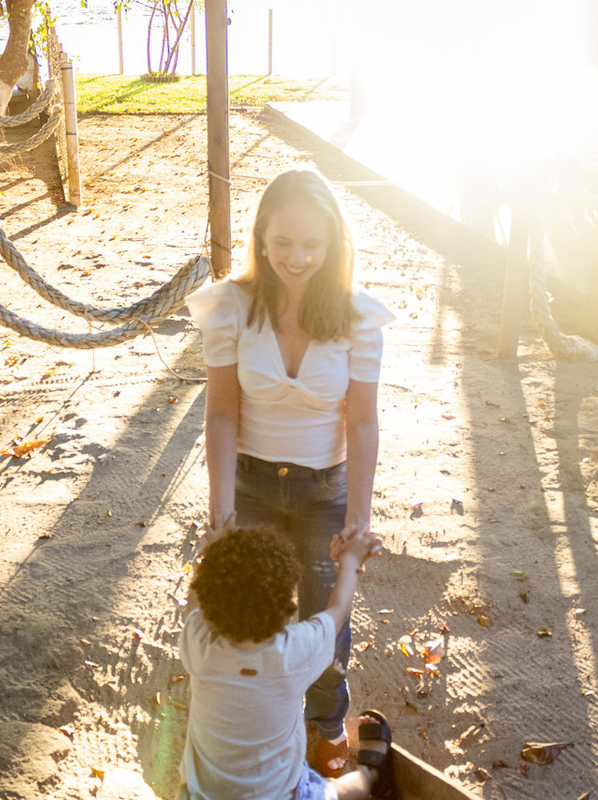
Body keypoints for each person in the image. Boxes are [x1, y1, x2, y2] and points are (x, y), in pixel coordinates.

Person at [184, 169, 395, 776]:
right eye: (282, 243)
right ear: (261, 237)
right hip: (249, 481)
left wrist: (358, 518)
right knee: (238, 613)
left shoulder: (357, 316)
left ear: (333, 244)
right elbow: (222, 414)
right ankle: (235, 721)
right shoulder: (230, 306)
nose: (296, 258)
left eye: (311, 245)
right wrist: (221, 512)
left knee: (325, 616)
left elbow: (362, 422)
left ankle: (325, 725)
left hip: (323, 486)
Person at [180, 526, 394, 800]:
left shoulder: (199, 644)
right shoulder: (295, 650)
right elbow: (338, 610)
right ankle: (371, 776)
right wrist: (351, 560)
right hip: (284, 795)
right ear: (284, 607)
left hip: (202, 795)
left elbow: (193, 605)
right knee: (336, 790)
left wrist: (210, 556)